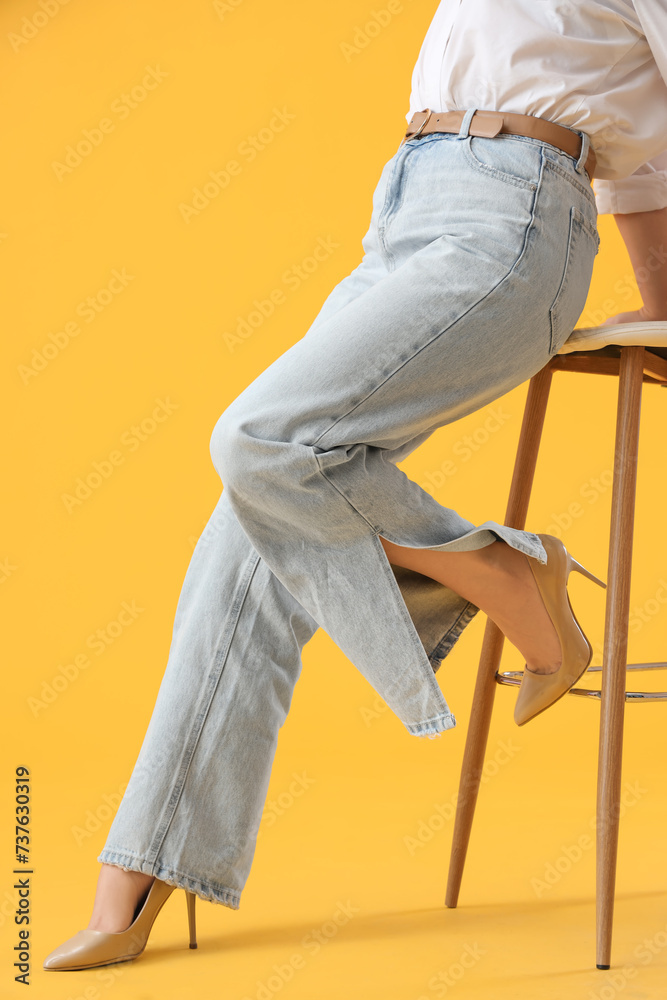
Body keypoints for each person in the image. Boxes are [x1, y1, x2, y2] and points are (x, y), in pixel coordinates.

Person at [44, 0, 667, 972]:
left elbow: (656, 152)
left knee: (261, 443)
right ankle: (148, 860)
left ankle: (503, 578)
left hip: (517, 216)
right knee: (253, 511)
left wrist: (662, 305)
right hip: (408, 205)